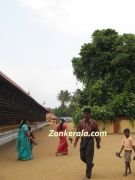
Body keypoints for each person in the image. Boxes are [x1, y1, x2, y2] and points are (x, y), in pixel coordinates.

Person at [74, 107, 101, 179]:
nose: (85, 116)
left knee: (89, 158)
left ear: (90, 114)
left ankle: (88, 175)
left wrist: (98, 142)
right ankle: (90, 165)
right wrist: (76, 141)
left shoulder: (94, 122)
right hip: (83, 141)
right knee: (82, 157)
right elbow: (78, 132)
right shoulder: (80, 122)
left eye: (87, 114)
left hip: (90, 141)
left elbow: (96, 133)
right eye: (84, 114)